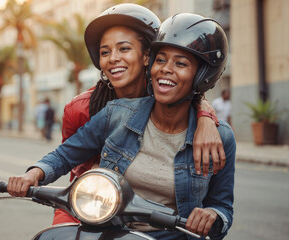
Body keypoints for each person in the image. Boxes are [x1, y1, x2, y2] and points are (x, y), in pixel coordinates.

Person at [7, 13, 235, 240]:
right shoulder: (114, 112)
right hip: (108, 228)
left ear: (202, 76)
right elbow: (65, 156)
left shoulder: (220, 136)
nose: (165, 69)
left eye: (181, 63)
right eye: (161, 59)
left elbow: (222, 207)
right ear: (151, 63)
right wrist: (33, 174)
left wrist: (211, 216)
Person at [54, 3, 225, 225]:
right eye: (105, 52)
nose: (113, 58)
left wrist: (205, 116)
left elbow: (191, 94)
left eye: (124, 49)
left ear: (148, 57)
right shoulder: (79, 109)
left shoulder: (165, 98)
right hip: (93, 205)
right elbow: (73, 167)